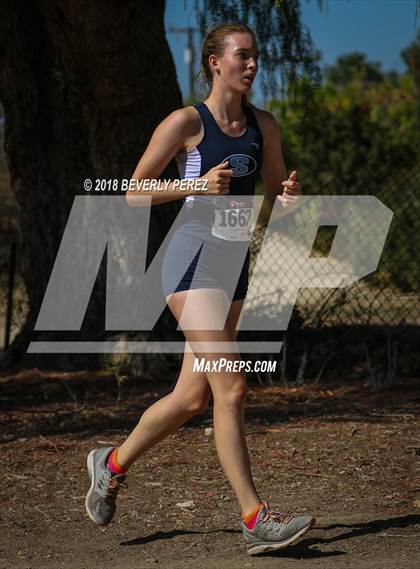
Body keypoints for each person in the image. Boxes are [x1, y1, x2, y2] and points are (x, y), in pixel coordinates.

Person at [85, 22, 315, 555]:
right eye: (242, 56)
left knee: (191, 397)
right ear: (214, 62)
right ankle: (256, 517)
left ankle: (111, 463)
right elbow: (133, 192)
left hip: (234, 264)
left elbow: (276, 194)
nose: (252, 64)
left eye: (256, 56)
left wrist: (289, 200)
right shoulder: (187, 122)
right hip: (190, 263)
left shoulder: (265, 125)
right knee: (231, 387)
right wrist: (193, 184)